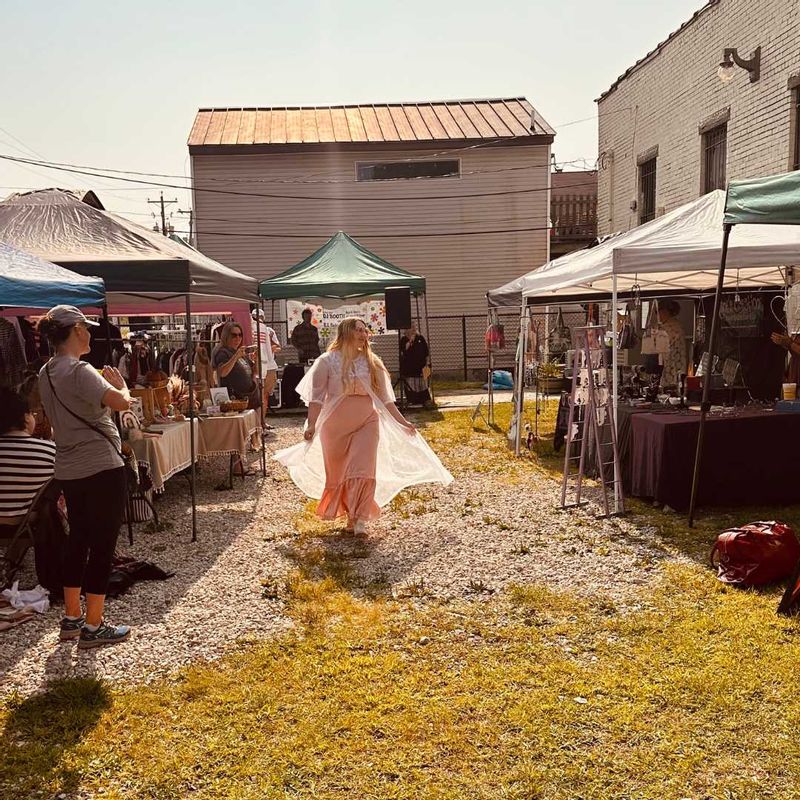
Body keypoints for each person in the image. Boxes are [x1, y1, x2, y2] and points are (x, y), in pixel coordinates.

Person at [275, 317, 453, 535]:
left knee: (362, 469)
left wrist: (402, 422)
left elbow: (386, 399)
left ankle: (359, 519)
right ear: (345, 333)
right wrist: (311, 425)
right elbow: (317, 399)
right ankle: (350, 516)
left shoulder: (372, 362)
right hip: (334, 426)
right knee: (340, 474)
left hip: (367, 421)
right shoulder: (327, 361)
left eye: (364, 330)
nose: (363, 334)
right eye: (358, 330)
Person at [37, 305, 132, 649]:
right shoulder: (81, 370)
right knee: (103, 544)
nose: (91, 333)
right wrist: (123, 388)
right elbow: (121, 403)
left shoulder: (45, 373)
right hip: (102, 465)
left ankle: (72, 617)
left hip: (69, 467)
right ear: (76, 330)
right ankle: (94, 625)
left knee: (78, 539)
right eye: (87, 328)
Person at [0, 387, 56, 527]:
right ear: (25, 417)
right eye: (32, 413)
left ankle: (15, 550)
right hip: (26, 523)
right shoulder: (49, 451)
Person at [252, 309, 281, 418]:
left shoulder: (269, 330)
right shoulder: (250, 328)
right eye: (255, 317)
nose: (257, 319)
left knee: (264, 395)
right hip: (258, 364)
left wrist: (270, 348)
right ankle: (259, 421)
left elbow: (278, 347)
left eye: (259, 317)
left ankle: (262, 420)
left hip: (268, 364)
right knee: (258, 395)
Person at [399, 323, 431, 406]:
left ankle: (425, 400)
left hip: (421, 367)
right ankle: (412, 399)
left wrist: (427, 363)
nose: (414, 329)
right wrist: (410, 340)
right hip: (409, 368)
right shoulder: (404, 339)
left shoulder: (420, 338)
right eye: (411, 327)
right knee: (411, 384)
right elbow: (404, 350)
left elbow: (426, 352)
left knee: (422, 384)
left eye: (414, 327)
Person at [657, 299, 686, 388]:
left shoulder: (671, 326)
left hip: (672, 361)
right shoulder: (673, 324)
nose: (658, 316)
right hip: (671, 362)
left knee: (672, 384)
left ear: (665, 312)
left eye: (659, 312)